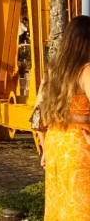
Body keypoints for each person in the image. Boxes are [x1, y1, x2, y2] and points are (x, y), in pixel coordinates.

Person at [39, 16, 90, 220]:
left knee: (61, 205)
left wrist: (44, 149)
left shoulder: (54, 72)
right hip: (80, 144)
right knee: (81, 204)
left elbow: (38, 115)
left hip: (56, 143)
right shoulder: (86, 71)